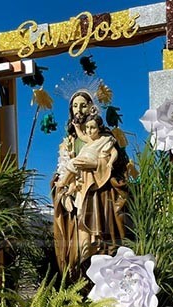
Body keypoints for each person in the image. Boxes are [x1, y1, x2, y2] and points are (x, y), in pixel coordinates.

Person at [52, 92, 128, 276]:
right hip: (77, 197)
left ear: (91, 106)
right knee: (80, 248)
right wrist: (62, 189)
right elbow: (62, 169)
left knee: (98, 246)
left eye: (83, 105)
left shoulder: (104, 136)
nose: (79, 109)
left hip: (99, 197)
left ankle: (104, 287)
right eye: (75, 105)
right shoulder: (69, 142)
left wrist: (98, 165)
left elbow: (119, 164)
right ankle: (80, 288)